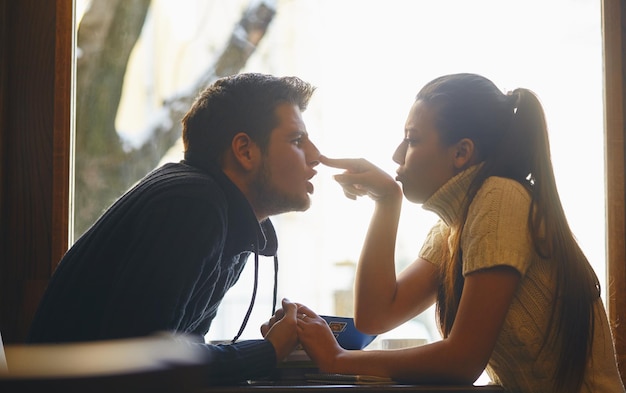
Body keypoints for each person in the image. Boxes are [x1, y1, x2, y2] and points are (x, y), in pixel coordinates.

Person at [290, 73, 625, 392]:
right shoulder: (454, 226)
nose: (396, 155)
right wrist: (387, 200)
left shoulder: (499, 200)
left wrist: (338, 359)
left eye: (412, 139)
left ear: (461, 153)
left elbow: (463, 361)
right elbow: (374, 317)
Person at [27, 73, 322, 385]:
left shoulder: (222, 214)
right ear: (245, 151)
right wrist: (267, 352)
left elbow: (181, 348)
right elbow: (146, 357)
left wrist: (271, 349)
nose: (316, 156)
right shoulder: (194, 205)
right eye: (297, 141)